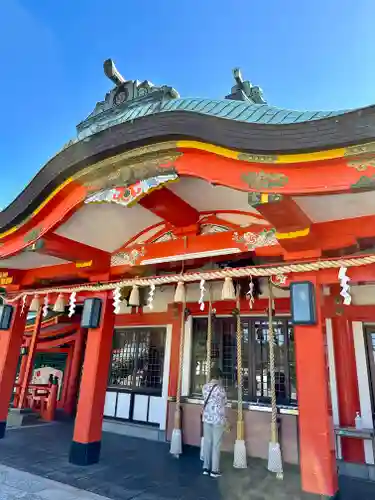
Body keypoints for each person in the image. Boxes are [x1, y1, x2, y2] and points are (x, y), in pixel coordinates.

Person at [202, 366, 227, 478]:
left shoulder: (205, 387)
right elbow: (224, 402)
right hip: (217, 419)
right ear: (219, 377)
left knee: (207, 443)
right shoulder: (221, 389)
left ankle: (206, 467)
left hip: (207, 418)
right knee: (216, 445)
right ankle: (214, 470)